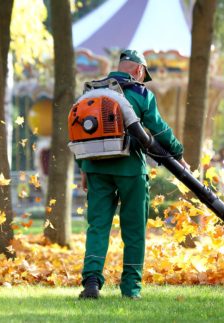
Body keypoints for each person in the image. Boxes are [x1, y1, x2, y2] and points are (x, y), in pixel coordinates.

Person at [77, 49, 189, 299]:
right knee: (134, 229)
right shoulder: (140, 93)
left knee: (97, 226)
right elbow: (158, 130)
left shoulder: (91, 92)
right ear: (139, 70)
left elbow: (79, 133)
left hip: (95, 167)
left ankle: (92, 281)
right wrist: (178, 154)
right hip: (130, 169)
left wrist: (83, 168)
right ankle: (130, 288)